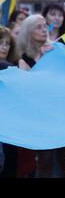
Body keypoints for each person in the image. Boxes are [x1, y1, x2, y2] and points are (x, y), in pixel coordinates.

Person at [17, 15, 65, 178]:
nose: (43, 30)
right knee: (45, 161)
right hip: (42, 117)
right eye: (38, 27)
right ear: (28, 32)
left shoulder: (58, 50)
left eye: (44, 26)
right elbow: (24, 89)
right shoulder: (23, 59)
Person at [0, 27, 19, 177]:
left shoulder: (12, 67)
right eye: (0, 43)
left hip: (10, 128)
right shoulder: (10, 68)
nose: (4, 47)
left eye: (7, 43)